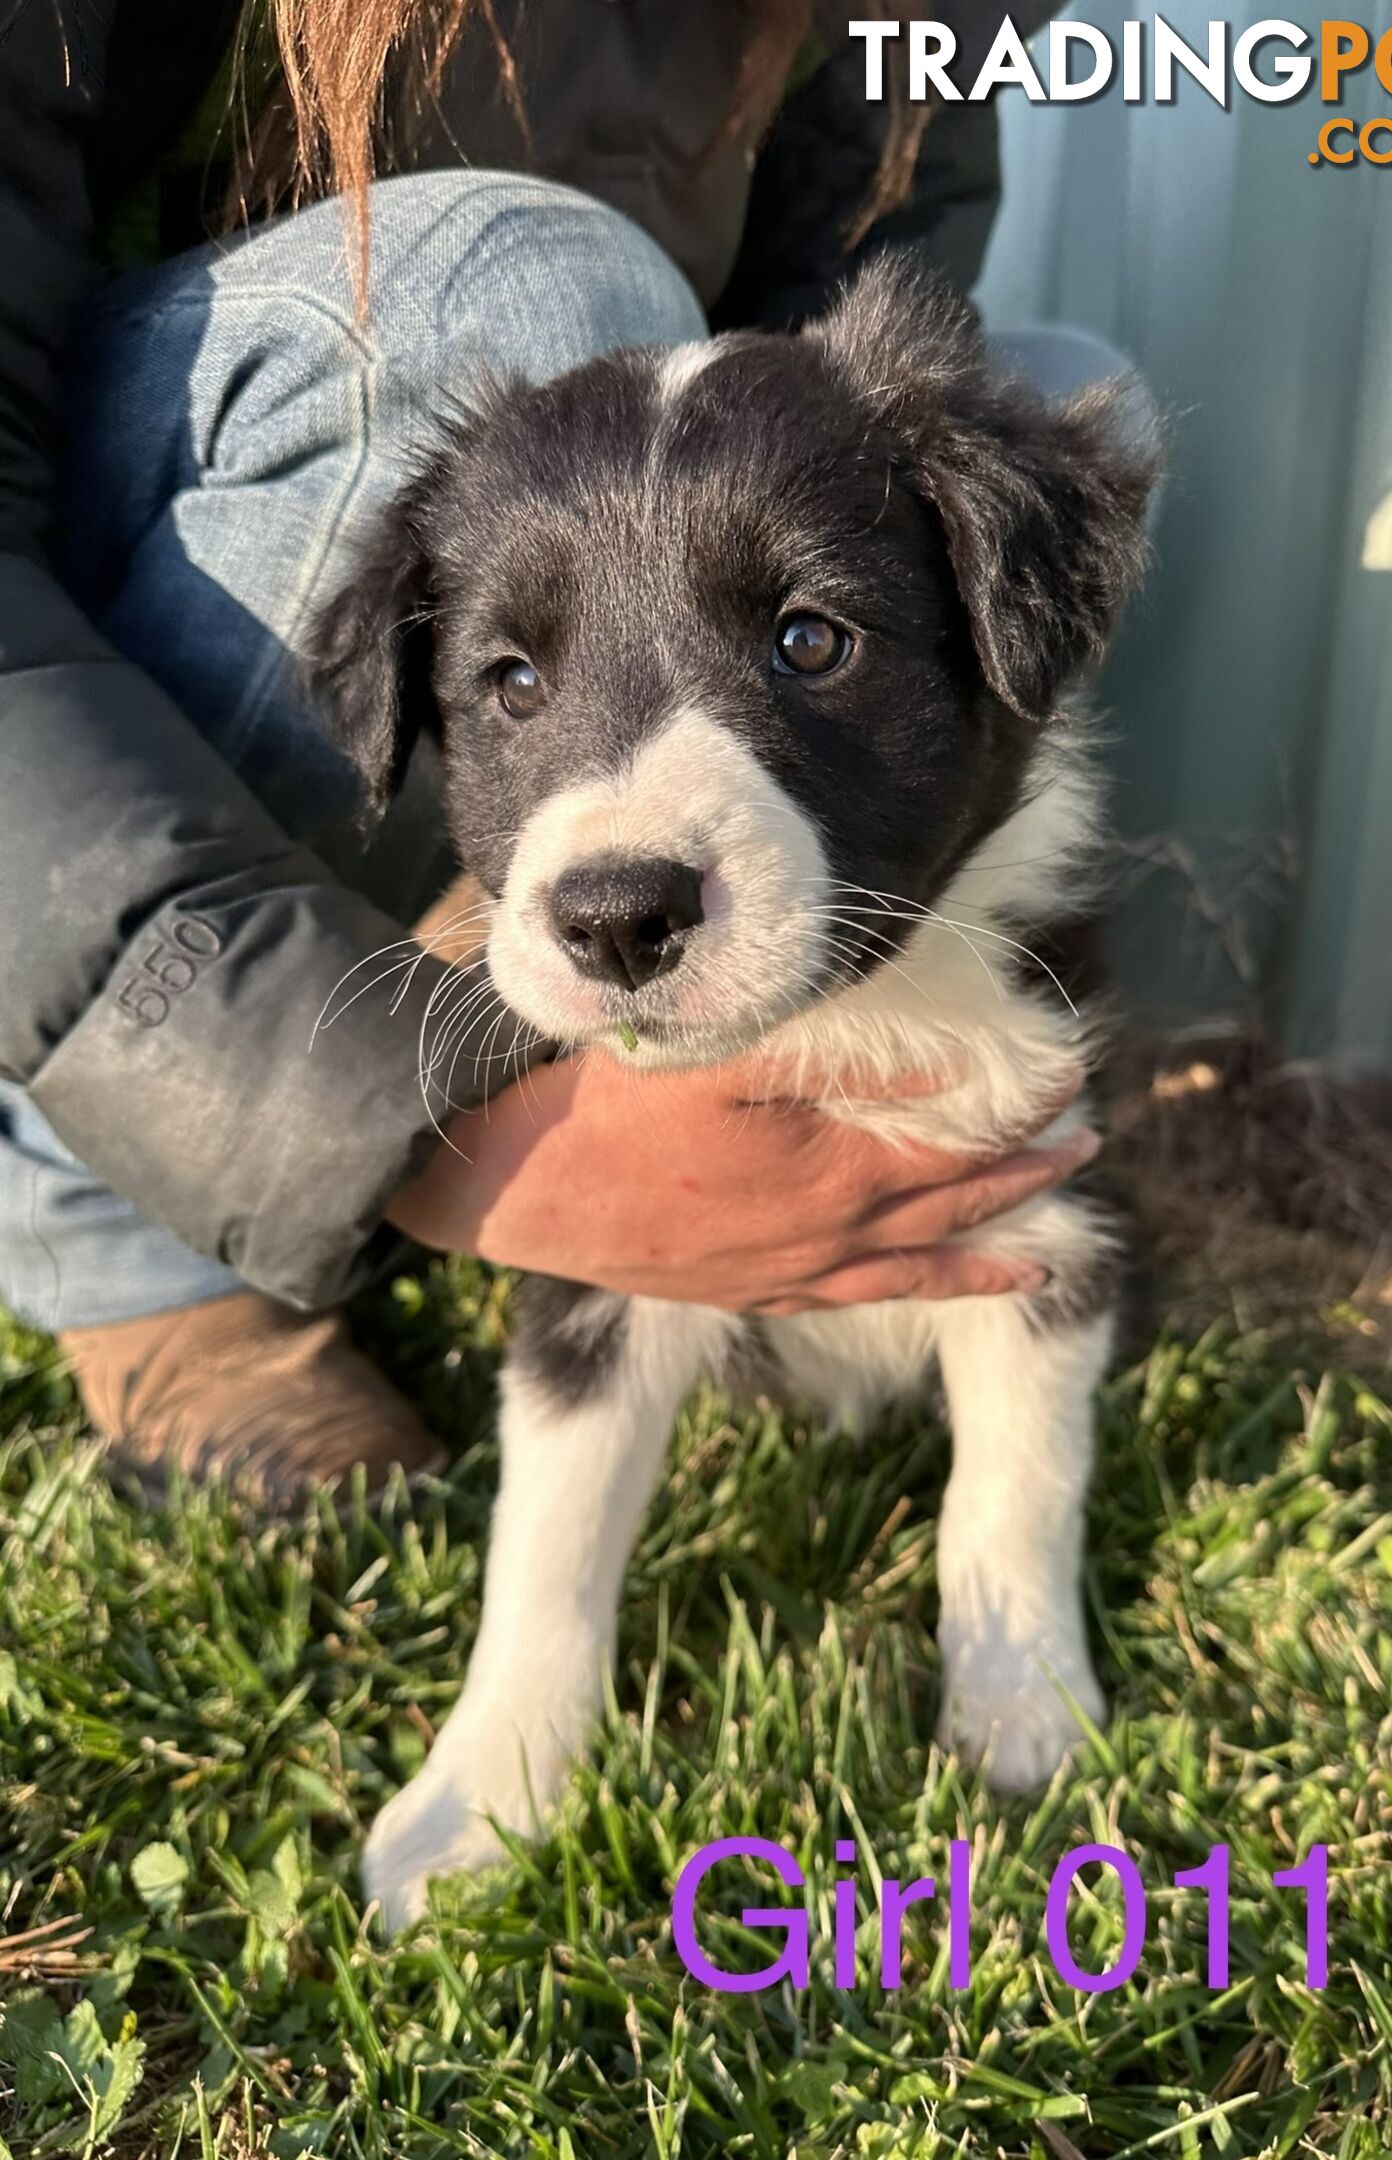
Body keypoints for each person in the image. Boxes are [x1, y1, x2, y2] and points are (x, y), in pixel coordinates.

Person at [0, 0, 1083, 1506]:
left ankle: (669, 1022)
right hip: (105, 520)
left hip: (601, 586)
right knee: (527, 289)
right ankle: (129, 1242)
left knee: (1059, 381)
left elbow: (834, 372)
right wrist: (480, 1159)